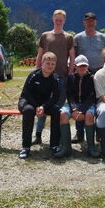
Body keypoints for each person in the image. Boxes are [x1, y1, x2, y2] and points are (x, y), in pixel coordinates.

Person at [33, 10, 74, 146]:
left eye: (60, 19)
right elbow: (40, 54)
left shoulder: (68, 37)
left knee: (57, 107)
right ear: (53, 19)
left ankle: (57, 137)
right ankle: (38, 135)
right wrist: (36, 71)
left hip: (62, 76)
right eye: (56, 19)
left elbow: (72, 57)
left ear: (64, 21)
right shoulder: (45, 35)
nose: (58, 21)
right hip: (45, 76)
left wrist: (70, 74)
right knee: (43, 104)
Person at [55, 55, 99, 158]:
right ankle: (66, 148)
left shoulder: (92, 78)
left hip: (87, 104)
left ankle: (91, 148)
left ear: (87, 66)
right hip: (73, 104)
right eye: (80, 66)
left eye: (84, 66)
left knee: (89, 115)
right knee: (63, 114)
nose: (82, 68)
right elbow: (69, 95)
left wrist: (82, 110)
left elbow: (92, 96)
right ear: (75, 66)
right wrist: (74, 109)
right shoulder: (70, 77)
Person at [17, 52, 61, 159]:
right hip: (27, 101)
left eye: (53, 64)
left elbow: (55, 98)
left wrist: (43, 107)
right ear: (42, 63)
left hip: (42, 103)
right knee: (29, 111)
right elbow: (26, 93)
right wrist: (37, 106)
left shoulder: (55, 78)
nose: (50, 66)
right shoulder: (33, 75)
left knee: (56, 110)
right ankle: (26, 147)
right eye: (48, 63)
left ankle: (54, 145)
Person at [73, 12, 105, 141]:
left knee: (99, 101)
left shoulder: (102, 37)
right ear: (84, 22)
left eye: (92, 20)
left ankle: (99, 131)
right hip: (83, 73)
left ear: (96, 22)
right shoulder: (77, 37)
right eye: (87, 20)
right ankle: (79, 132)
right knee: (81, 101)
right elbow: (74, 56)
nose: (90, 22)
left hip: (99, 72)